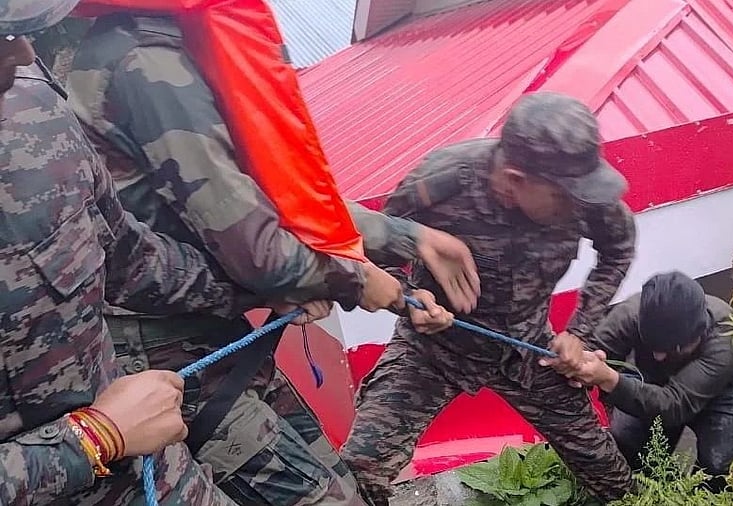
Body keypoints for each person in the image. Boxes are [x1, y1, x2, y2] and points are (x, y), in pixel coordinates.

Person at [67, 13, 471, 506]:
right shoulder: (145, 63)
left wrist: (407, 240)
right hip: (165, 353)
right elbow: (256, 250)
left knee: (343, 486)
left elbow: (274, 197)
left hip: (213, 333)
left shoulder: (183, 45)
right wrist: (360, 282)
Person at [0, 1, 303, 502]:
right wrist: (93, 439)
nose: (27, 51)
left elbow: (129, 258)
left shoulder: (32, 105)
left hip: (156, 471)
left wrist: (263, 286)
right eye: (7, 39)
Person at [342, 91, 637, 505]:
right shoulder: (442, 179)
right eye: (562, 196)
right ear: (517, 180)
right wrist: (408, 299)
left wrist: (580, 332)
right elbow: (373, 246)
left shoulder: (579, 192)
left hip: (529, 349)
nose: (577, 205)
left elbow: (618, 248)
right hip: (433, 349)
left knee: (612, 478)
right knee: (358, 471)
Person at [542, 271, 733, 492]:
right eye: (654, 347)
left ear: (700, 332)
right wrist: (575, 360)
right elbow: (592, 346)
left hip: (725, 396)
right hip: (656, 385)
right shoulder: (631, 313)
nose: (659, 357)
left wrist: (609, 379)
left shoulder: (728, 336)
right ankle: (658, 493)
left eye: (672, 349)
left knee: (719, 468)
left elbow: (674, 405)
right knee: (629, 446)